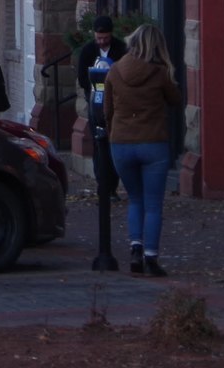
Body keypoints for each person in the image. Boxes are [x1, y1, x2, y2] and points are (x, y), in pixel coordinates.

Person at [105, 22, 182, 277]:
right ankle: (151, 256)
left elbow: (107, 111)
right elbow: (175, 100)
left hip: (121, 144)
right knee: (153, 204)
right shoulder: (160, 73)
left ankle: (135, 249)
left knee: (134, 199)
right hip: (153, 143)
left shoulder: (115, 71)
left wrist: (115, 130)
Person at [76, 15, 129, 193]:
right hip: (95, 103)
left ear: (111, 35)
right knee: (99, 145)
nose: (102, 41)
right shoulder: (88, 51)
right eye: (99, 38)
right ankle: (103, 186)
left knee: (113, 144)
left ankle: (112, 184)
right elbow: (82, 77)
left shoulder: (121, 49)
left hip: (116, 103)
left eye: (105, 38)